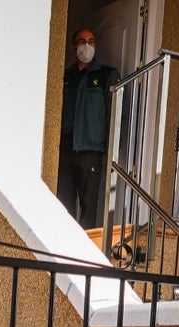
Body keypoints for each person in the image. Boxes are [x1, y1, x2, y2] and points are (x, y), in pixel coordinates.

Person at [58, 27, 118, 227]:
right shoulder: (65, 76)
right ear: (73, 47)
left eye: (91, 41)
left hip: (90, 151)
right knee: (62, 207)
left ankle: (82, 256)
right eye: (82, 41)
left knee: (88, 209)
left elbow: (115, 115)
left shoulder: (106, 75)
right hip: (65, 150)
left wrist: (112, 151)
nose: (87, 45)